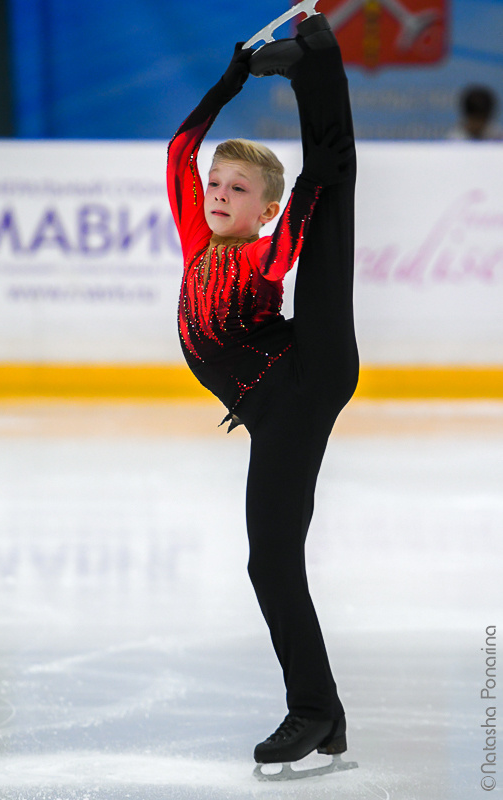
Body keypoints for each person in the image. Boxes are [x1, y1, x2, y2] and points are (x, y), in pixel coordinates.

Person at [166, 11, 359, 770]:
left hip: (301, 380)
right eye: (215, 183)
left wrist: (307, 189)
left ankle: (310, 710)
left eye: (236, 187)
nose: (217, 192)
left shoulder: (259, 256)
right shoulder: (195, 233)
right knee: (270, 559)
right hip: (276, 396)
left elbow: (309, 195)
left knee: (332, 187)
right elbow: (183, 146)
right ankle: (329, 718)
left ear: (261, 210)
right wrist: (232, 78)